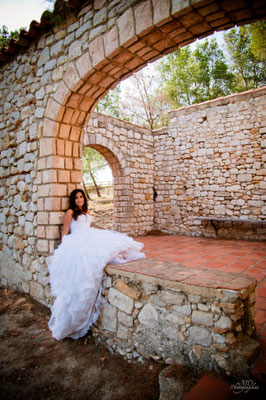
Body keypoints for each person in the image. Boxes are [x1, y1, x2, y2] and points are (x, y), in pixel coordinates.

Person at [48, 188, 145, 340]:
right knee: (88, 263)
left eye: (81, 197)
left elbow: (89, 229)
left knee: (110, 246)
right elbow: (65, 232)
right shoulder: (70, 213)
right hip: (77, 241)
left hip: (88, 236)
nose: (79, 200)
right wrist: (65, 249)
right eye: (76, 198)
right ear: (73, 200)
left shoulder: (87, 214)